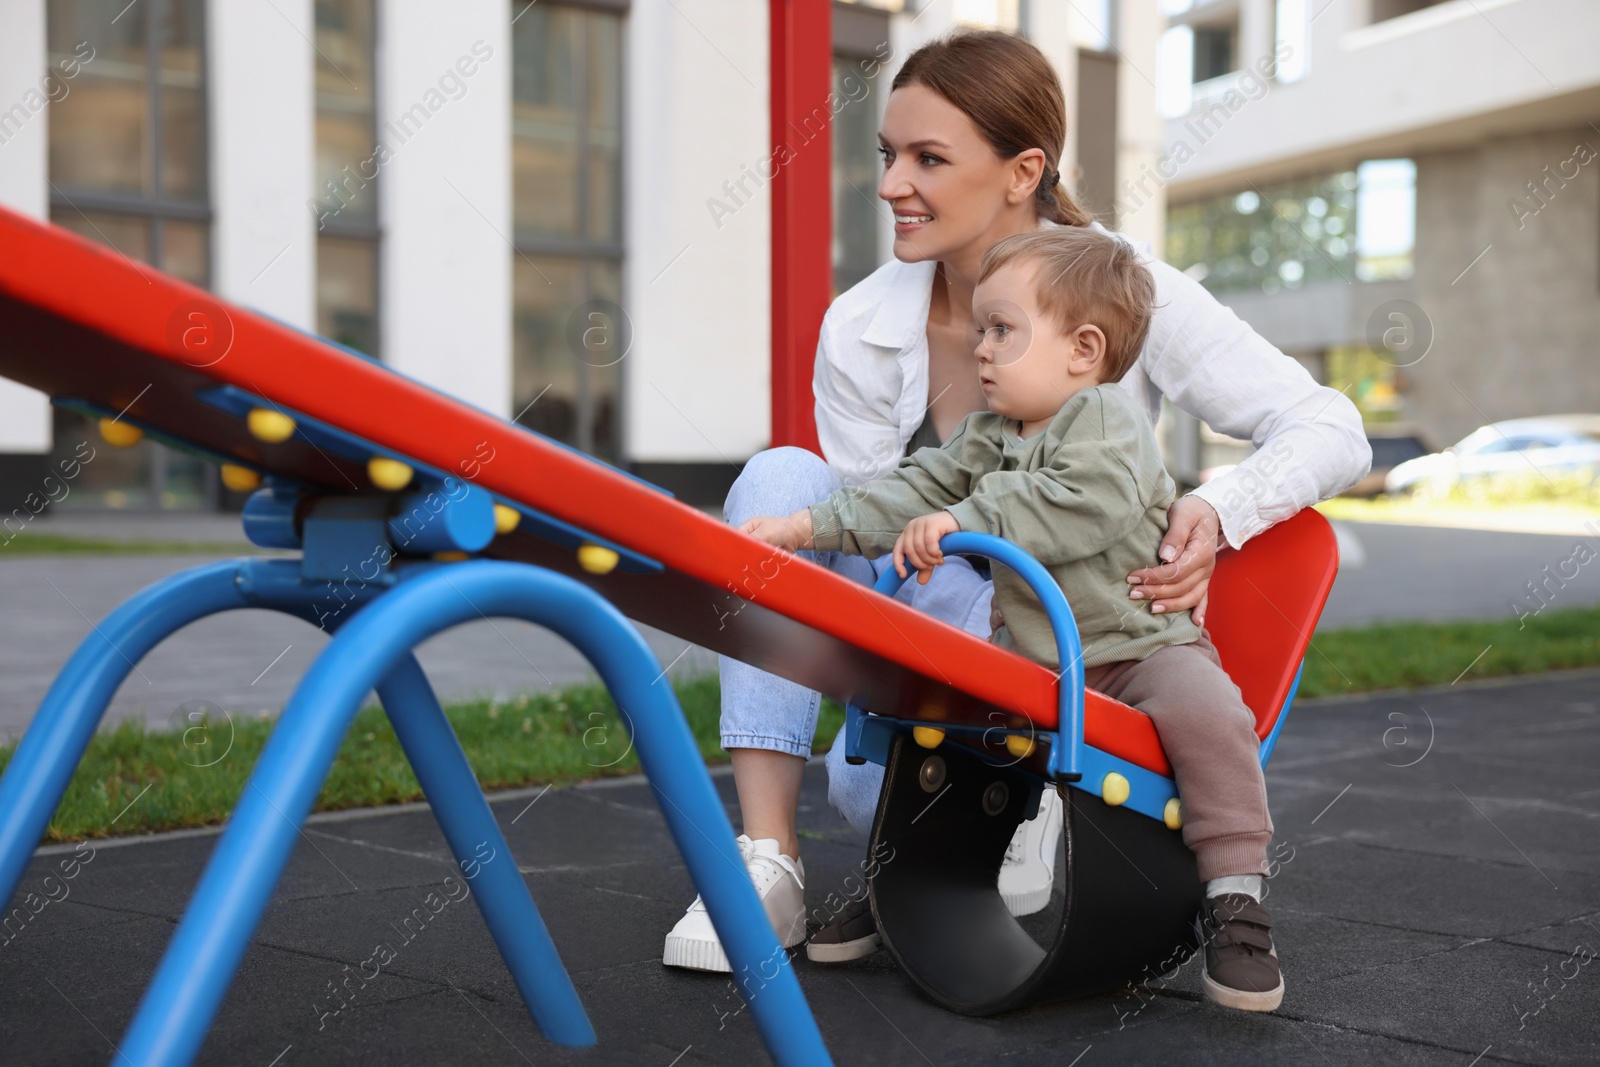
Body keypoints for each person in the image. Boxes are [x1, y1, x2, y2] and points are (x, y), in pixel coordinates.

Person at [661, 29, 1368, 982]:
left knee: (977, 555)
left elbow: (1330, 423)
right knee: (784, 476)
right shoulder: (863, 324)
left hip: (1048, 624)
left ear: (1021, 170)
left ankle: (985, 834)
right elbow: (878, 519)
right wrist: (801, 532)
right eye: (887, 156)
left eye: (928, 159)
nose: (889, 184)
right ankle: (767, 861)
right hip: (913, 622)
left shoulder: (1123, 289)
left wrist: (1220, 506)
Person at [743, 226, 1285, 1011]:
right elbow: (914, 486)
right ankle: (909, 883)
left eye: (1002, 330)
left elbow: (1074, 506)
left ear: (1083, 347)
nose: (981, 349)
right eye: (979, 330)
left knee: (1210, 714)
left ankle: (1236, 900)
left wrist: (967, 514)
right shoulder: (988, 436)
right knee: (944, 725)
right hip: (1034, 658)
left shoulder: (1104, 419)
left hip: (1140, 649)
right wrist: (808, 525)